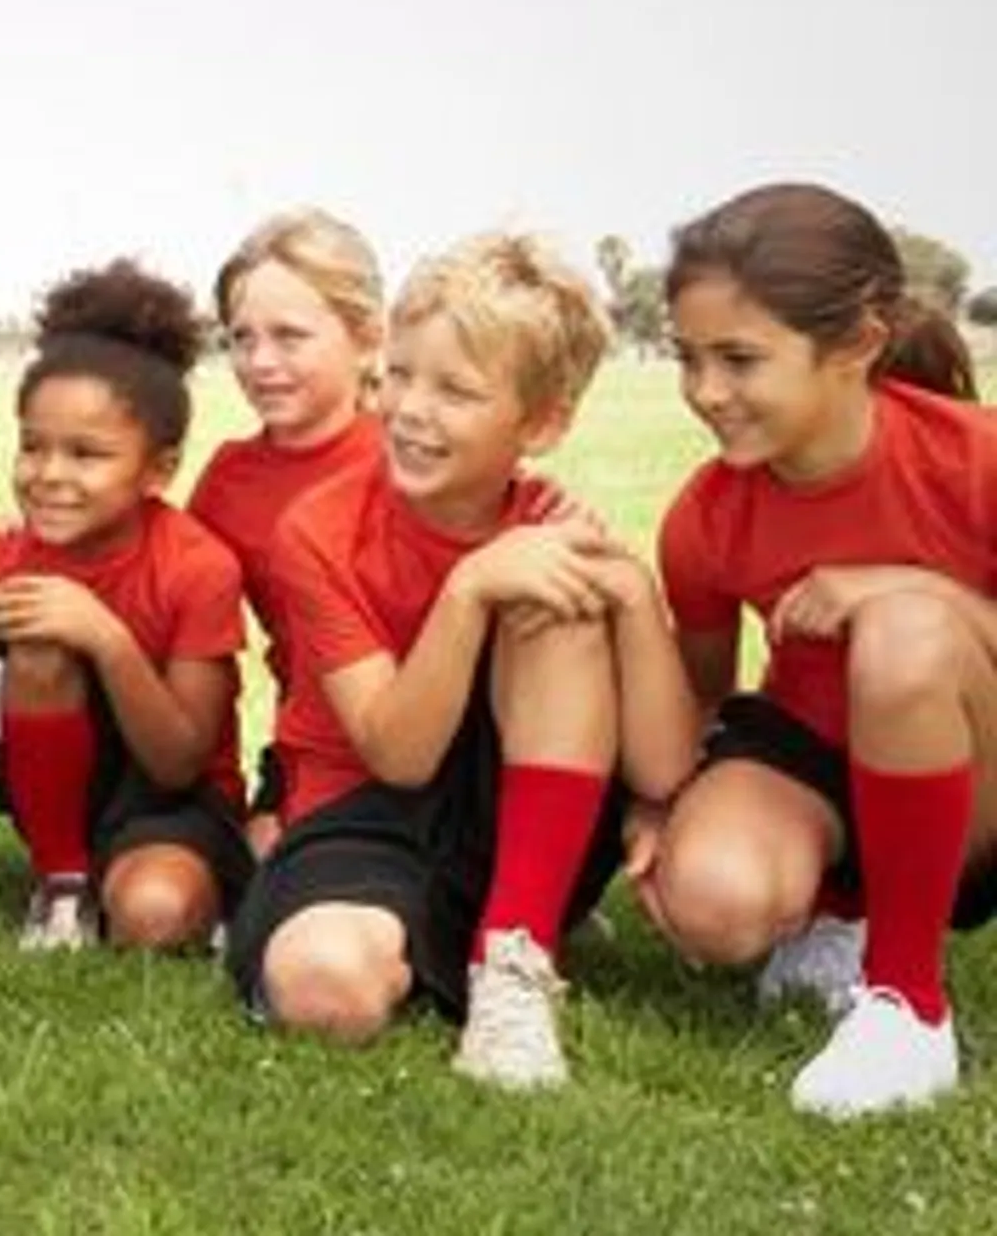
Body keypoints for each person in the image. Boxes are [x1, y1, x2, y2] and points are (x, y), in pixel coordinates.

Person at [224, 231, 698, 1089]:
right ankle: (447, 931)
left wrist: (631, 593)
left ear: (543, 422)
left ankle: (514, 961)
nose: (410, 409)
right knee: (325, 987)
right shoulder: (320, 530)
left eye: (456, 390)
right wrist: (469, 585)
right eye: (400, 374)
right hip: (365, 814)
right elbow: (397, 754)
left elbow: (664, 768)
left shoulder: (554, 525)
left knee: (552, 600)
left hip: (511, 804)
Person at [629, 182, 997, 1118]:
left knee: (907, 633)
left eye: (741, 360)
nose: (707, 393)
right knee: (712, 899)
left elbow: (927, 631)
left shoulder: (976, 461)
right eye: (690, 358)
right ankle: (842, 911)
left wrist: (916, 590)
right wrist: (654, 813)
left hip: (976, 773)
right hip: (814, 765)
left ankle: (906, 1004)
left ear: (858, 346)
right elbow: (707, 701)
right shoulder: (707, 516)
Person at [0, 260, 255, 952]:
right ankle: (61, 883)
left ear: (158, 470)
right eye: (32, 446)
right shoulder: (0, 560)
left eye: (87, 454)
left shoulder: (197, 566)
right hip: (53, 787)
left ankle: (191, 884)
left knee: (154, 916)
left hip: (171, 801)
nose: (49, 474)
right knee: (39, 636)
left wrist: (107, 637)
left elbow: (178, 763)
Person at [188, 210, 386, 858]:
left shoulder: (417, 454)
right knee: (265, 860)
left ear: (366, 338)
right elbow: (168, 586)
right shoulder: (230, 478)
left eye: (289, 336)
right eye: (242, 339)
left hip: (436, 737)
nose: (260, 362)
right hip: (312, 749)